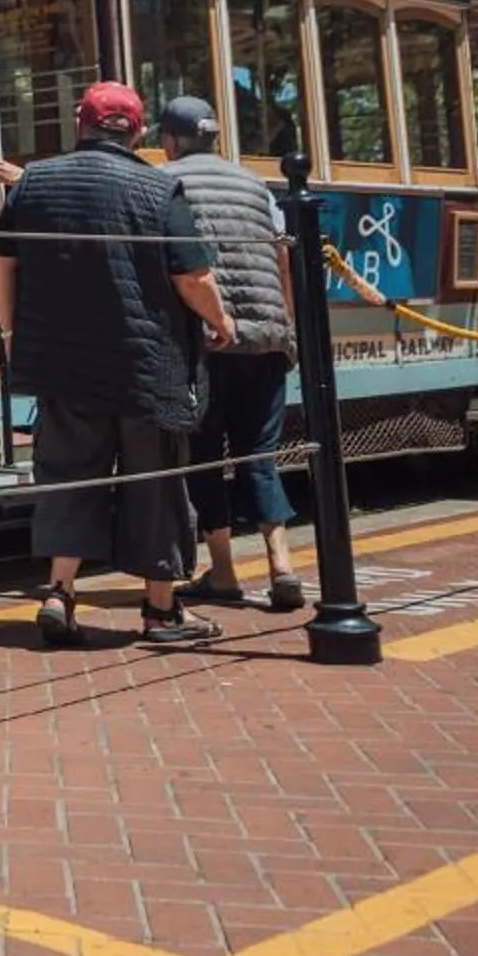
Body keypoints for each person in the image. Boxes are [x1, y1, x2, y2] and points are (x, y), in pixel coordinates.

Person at [0, 80, 236, 648]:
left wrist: (12, 328)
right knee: (156, 483)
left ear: (81, 123)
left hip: (65, 363)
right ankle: (160, 610)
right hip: (146, 365)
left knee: (68, 475)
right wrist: (222, 323)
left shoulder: (37, 181)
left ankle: (59, 593)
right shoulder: (158, 187)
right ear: (140, 131)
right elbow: (192, 277)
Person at [155, 96, 305, 613]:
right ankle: (281, 563)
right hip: (266, 337)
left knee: (203, 454)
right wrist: (285, 326)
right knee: (257, 455)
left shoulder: (167, 182)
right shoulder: (254, 184)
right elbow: (282, 254)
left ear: (170, 141)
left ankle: (222, 572)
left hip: (208, 340)